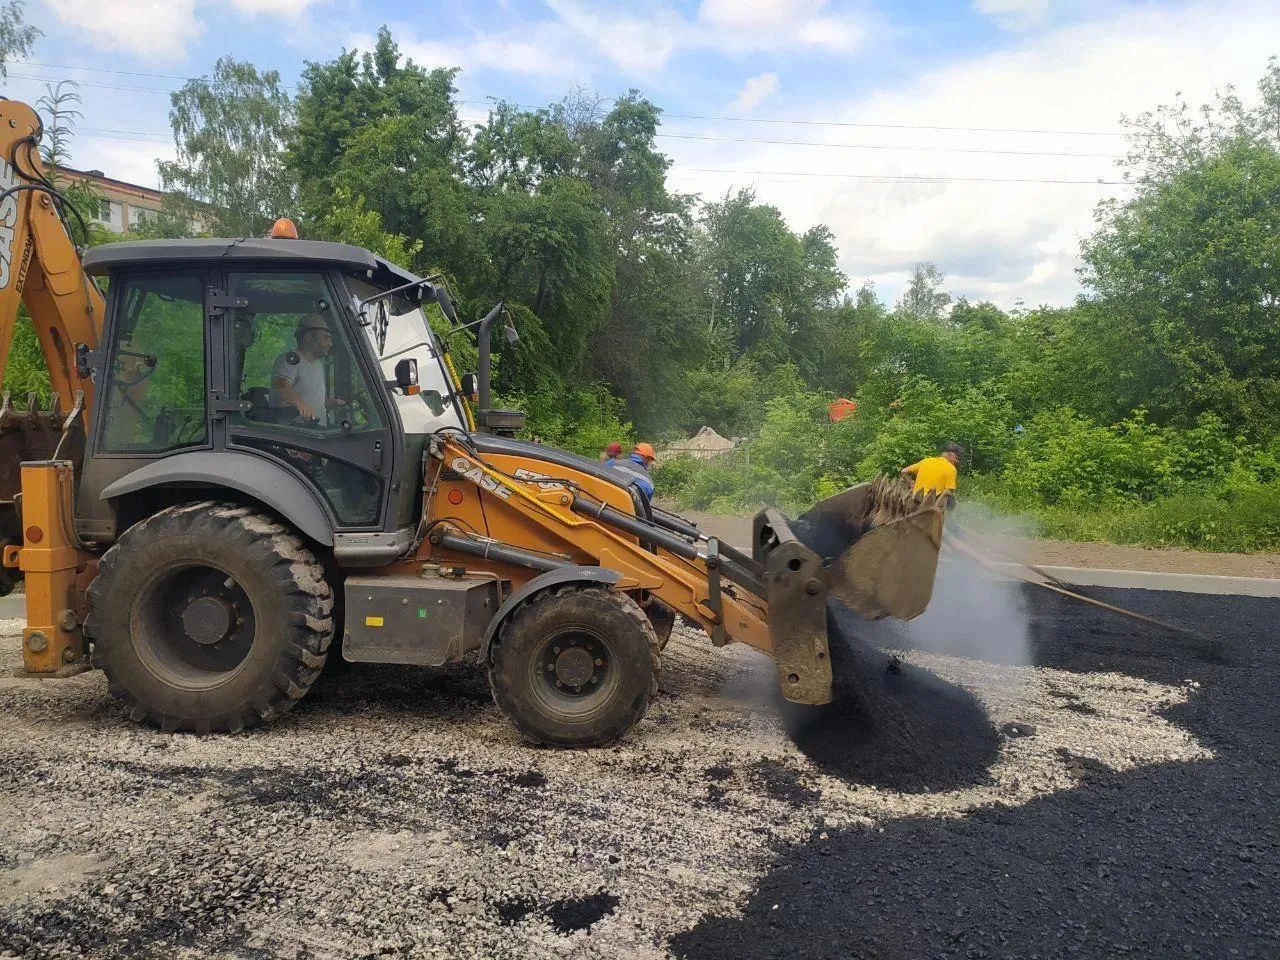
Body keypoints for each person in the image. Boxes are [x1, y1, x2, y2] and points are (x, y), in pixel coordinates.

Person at [270, 313, 345, 425]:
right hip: (297, 431)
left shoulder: (318, 365)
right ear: (309, 337)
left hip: (317, 431)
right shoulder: (290, 360)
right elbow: (281, 387)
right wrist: (301, 404)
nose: (330, 343)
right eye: (325, 337)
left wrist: (328, 403)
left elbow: (311, 400)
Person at [900, 442, 962, 507]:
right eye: (957, 458)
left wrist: (911, 485)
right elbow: (947, 491)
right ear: (951, 455)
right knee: (952, 500)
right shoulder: (951, 469)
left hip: (916, 499)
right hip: (932, 501)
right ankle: (948, 516)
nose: (957, 461)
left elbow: (903, 471)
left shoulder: (926, 461)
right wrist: (938, 508)